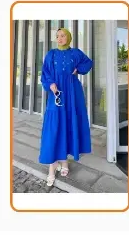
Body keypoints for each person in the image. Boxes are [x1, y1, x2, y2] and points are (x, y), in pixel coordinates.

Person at [39, 27, 93, 187]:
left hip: (73, 93)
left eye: (62, 36)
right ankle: (53, 165)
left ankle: (64, 162)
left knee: (70, 123)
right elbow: (45, 73)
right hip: (57, 93)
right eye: (57, 36)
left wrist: (78, 69)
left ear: (68, 37)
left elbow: (88, 63)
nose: (59, 38)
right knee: (54, 126)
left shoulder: (75, 53)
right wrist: (50, 84)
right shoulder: (51, 54)